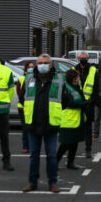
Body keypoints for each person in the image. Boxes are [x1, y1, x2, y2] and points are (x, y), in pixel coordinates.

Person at [22, 54, 65, 193]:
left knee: (51, 156)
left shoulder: (59, 79)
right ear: (36, 64)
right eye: (40, 63)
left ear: (51, 64)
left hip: (51, 124)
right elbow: (24, 97)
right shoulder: (29, 79)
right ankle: (32, 182)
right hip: (33, 124)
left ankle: (52, 182)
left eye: (46, 62)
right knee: (34, 156)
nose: (43, 65)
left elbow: (65, 98)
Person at [56, 67, 87, 169]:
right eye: (78, 77)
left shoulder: (76, 87)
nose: (79, 78)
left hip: (77, 119)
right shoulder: (65, 88)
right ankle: (55, 162)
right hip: (68, 119)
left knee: (74, 142)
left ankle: (70, 162)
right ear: (73, 78)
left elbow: (82, 98)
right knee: (65, 143)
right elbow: (68, 102)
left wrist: (84, 103)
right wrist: (83, 104)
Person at [76, 52, 101, 158]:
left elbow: (96, 87)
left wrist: (93, 101)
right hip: (77, 103)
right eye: (81, 58)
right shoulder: (73, 70)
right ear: (78, 59)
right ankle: (72, 151)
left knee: (88, 128)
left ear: (88, 59)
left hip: (89, 104)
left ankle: (88, 149)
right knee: (75, 128)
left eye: (85, 58)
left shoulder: (93, 70)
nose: (83, 59)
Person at [17, 60, 35, 154]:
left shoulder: (35, 78)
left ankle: (32, 145)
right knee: (25, 128)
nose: (31, 68)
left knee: (32, 128)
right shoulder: (22, 79)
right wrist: (25, 104)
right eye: (29, 67)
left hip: (33, 107)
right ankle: (25, 146)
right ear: (25, 68)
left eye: (32, 67)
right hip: (23, 107)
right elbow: (19, 93)